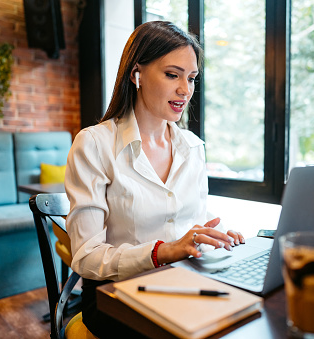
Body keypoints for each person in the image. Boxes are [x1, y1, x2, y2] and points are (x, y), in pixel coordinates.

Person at [64, 21, 245, 338]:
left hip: (181, 283)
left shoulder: (193, 147)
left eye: (191, 78)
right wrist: (164, 251)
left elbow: (194, 221)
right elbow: (85, 256)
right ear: (137, 74)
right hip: (115, 296)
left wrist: (215, 236)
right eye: (172, 74)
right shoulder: (94, 144)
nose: (185, 90)